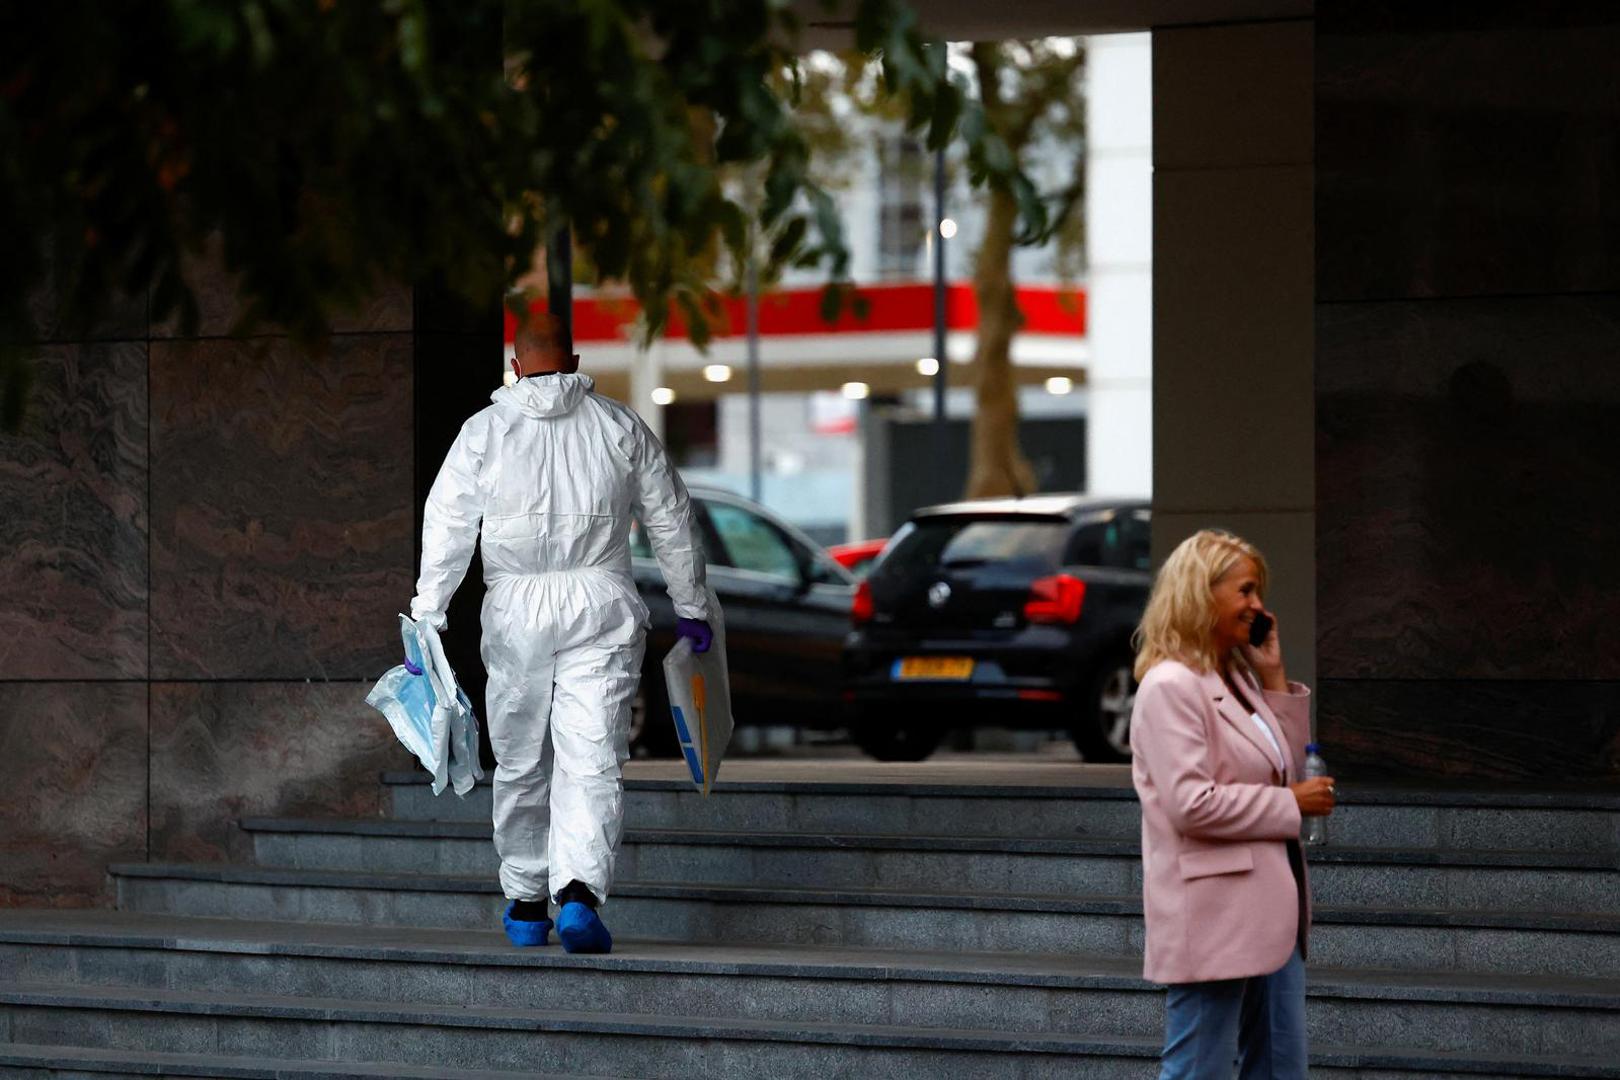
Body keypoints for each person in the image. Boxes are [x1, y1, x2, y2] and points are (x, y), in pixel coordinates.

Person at [410, 313, 713, 954]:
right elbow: (672, 519)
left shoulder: (484, 434)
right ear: (574, 360)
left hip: (516, 608)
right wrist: (693, 607)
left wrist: (428, 616)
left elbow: (447, 528)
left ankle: (524, 902)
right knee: (592, 754)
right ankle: (577, 893)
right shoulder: (618, 426)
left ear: (515, 366)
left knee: (521, 755)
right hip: (601, 600)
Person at [1128, 529, 1336, 1079]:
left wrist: (1272, 677)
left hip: (1273, 909)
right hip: (1215, 911)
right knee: (1201, 1068)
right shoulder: (1170, 686)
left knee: (1281, 1067)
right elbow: (1191, 805)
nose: (1258, 606)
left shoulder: (1237, 677)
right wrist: (1289, 803)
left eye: (1258, 592)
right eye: (1245, 590)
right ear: (1202, 593)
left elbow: (1283, 767)